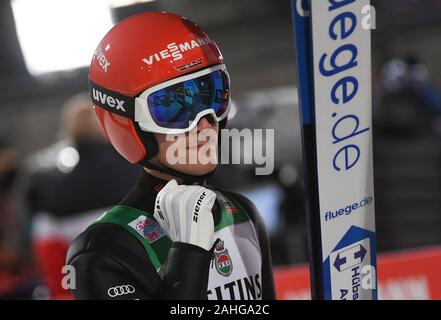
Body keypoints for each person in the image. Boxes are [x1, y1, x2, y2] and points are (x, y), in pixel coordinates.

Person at [66, 12, 275, 300]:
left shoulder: (243, 214)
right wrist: (189, 256)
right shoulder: (101, 252)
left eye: (212, 94)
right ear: (129, 121)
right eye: (172, 107)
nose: (205, 123)